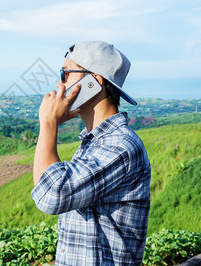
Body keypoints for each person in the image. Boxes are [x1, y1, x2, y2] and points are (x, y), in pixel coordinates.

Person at [31, 41, 151, 265]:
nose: (60, 83)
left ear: (93, 82)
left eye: (66, 74)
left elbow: (50, 196)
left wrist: (48, 124)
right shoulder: (95, 143)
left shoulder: (120, 146)